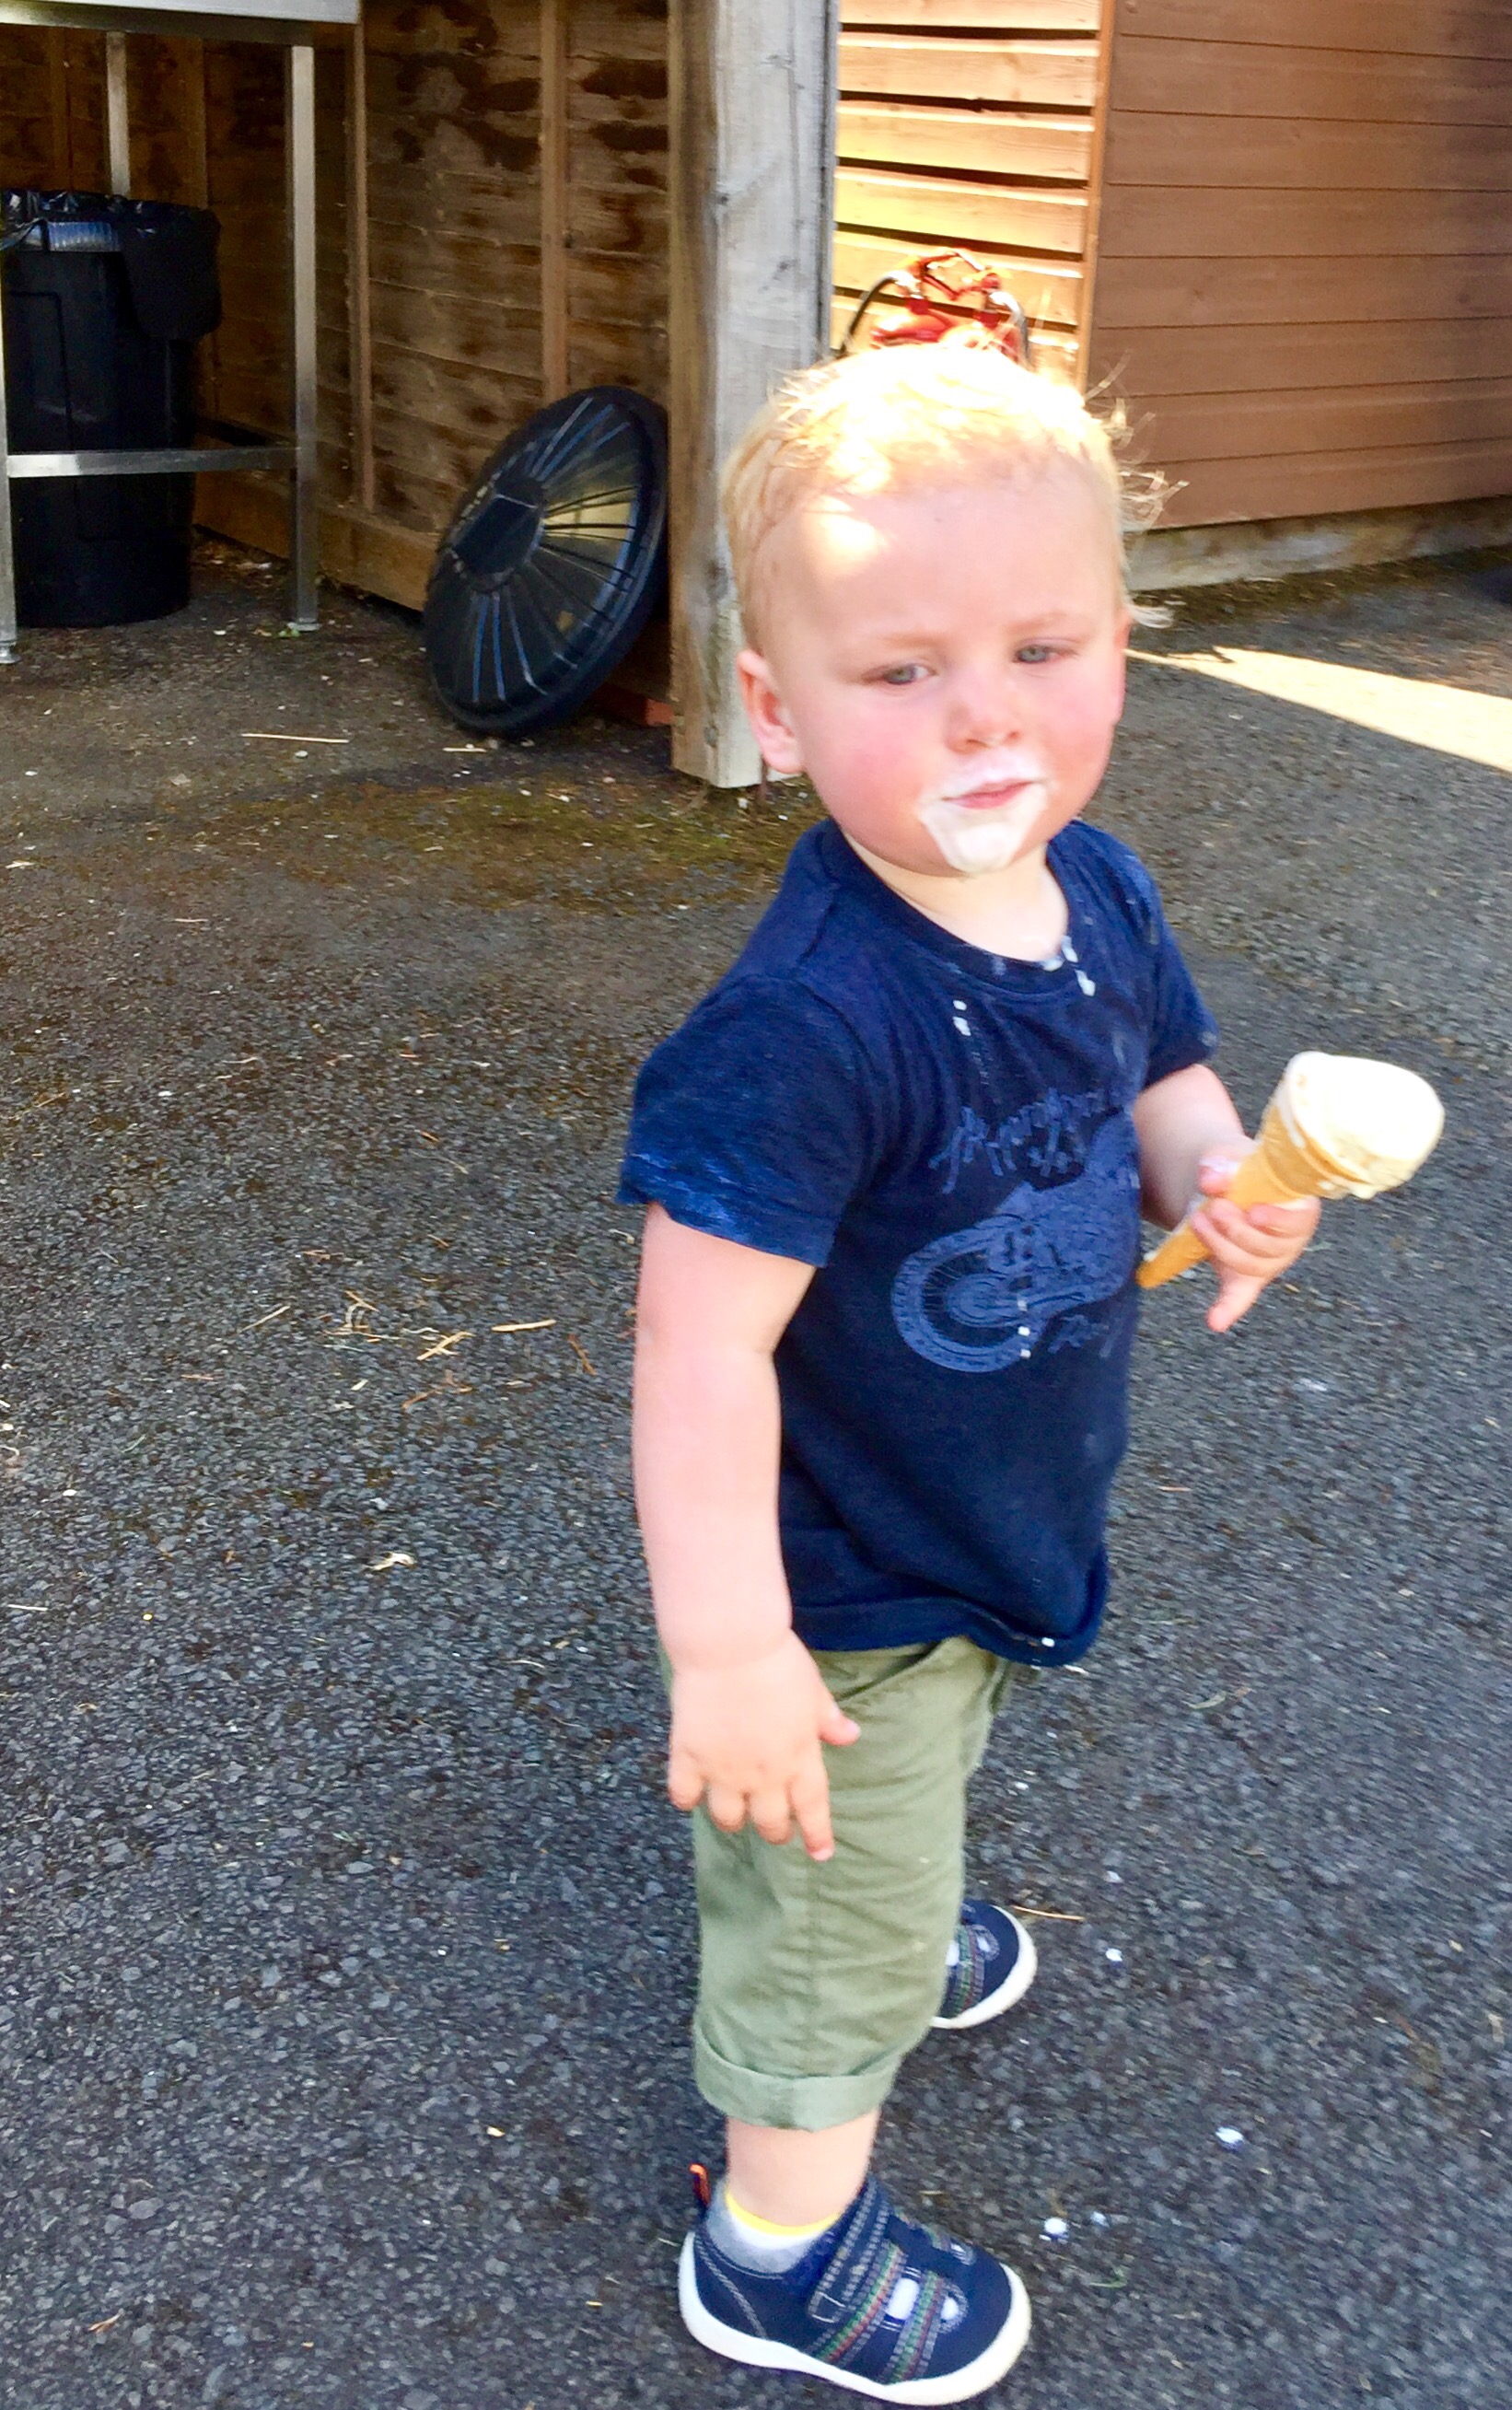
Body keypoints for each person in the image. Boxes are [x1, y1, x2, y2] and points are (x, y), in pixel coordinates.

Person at [619, 343, 1318, 2403]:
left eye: (1039, 646)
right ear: (776, 708)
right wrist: (730, 1651)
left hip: (990, 1497)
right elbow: (694, 1348)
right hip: (840, 1581)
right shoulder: (805, 1027)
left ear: (1120, 641)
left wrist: (1222, 1175)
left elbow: (1162, 1071)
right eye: (902, 670)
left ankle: (894, 1900)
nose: (986, 714)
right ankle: (777, 2246)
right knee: (825, 1919)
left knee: (918, 1790)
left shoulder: (1090, 884)